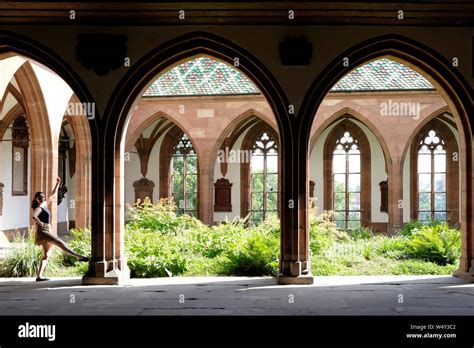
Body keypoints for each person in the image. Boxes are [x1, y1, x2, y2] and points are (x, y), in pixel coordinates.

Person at [32, 177, 89, 281]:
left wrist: (58, 184)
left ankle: (39, 276)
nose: (42, 199)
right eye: (39, 198)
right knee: (61, 243)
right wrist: (41, 224)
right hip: (44, 232)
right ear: (36, 199)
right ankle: (80, 257)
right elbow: (34, 216)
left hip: (46, 231)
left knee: (46, 255)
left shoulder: (43, 205)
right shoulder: (38, 208)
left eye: (43, 197)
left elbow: (53, 196)